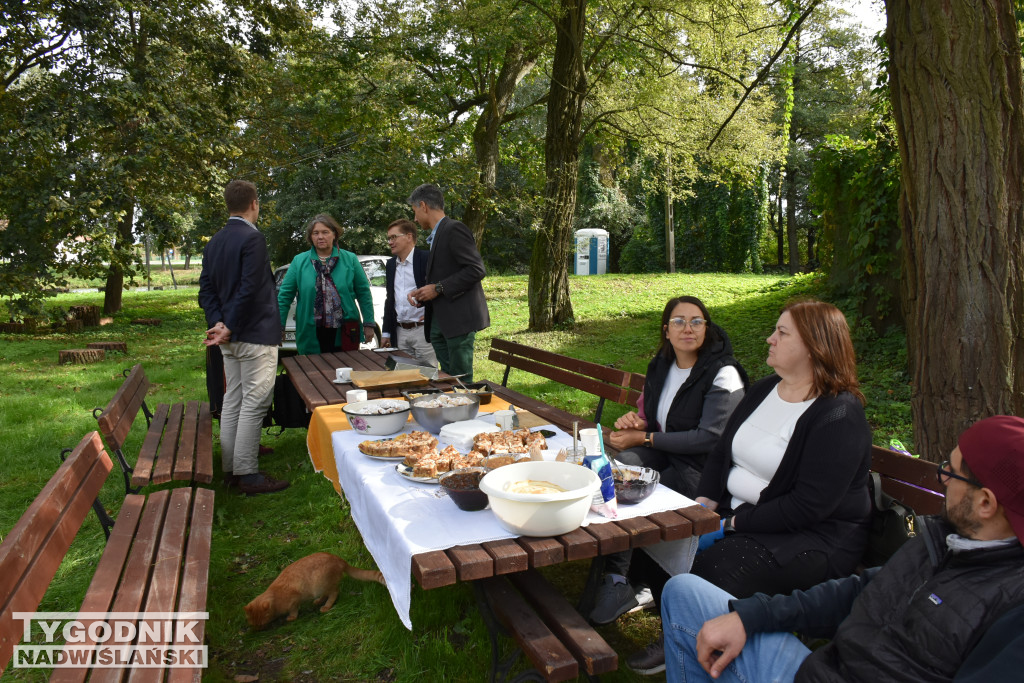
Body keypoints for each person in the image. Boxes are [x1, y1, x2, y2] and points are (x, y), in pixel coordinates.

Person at [660, 414, 1024, 683]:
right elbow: (861, 590)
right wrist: (752, 616)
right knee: (683, 592)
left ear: (986, 504)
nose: (942, 476)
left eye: (952, 471)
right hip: (819, 670)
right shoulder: (947, 540)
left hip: (816, 575)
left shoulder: (1011, 610)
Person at [627, 299, 872, 675]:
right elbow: (722, 451)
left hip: (811, 539)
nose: (770, 338)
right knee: (663, 530)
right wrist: (704, 503)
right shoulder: (766, 389)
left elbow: (808, 507)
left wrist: (730, 525)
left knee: (713, 566)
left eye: (782, 333)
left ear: (814, 346)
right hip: (741, 515)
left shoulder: (838, 414)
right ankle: (677, 630)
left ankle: (699, 640)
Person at [589, 296, 747, 625]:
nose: (687, 328)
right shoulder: (661, 365)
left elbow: (710, 437)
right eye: (678, 321)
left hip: (702, 470)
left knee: (634, 485)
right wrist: (636, 422)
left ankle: (631, 577)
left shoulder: (724, 373)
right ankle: (619, 577)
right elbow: (652, 415)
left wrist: (645, 437)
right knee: (621, 469)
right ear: (666, 330)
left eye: (696, 321)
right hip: (667, 453)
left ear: (707, 328)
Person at [198, 180, 288, 495]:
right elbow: (250, 289)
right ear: (254, 203)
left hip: (230, 338)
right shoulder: (253, 239)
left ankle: (231, 469)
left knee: (233, 399)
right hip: (253, 335)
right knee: (254, 401)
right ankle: (247, 473)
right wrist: (228, 325)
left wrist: (218, 322)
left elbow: (206, 290)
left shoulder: (214, 242)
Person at [406, 183, 489, 381]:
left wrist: (438, 288)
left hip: (458, 321)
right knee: (450, 379)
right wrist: (424, 292)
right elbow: (446, 274)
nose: (415, 218)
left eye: (415, 211)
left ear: (424, 206)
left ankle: (465, 411)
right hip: (441, 321)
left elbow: (476, 269)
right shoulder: (437, 235)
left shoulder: (454, 229)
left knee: (462, 381)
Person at [276, 214, 376, 355]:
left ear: (334, 234)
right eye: (315, 233)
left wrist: (369, 323)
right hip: (310, 331)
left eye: (325, 232)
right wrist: (279, 327)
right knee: (312, 373)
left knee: (345, 371)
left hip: (345, 330)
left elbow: (364, 293)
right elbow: (284, 297)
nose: (320, 237)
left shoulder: (350, 259)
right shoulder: (299, 261)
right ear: (311, 237)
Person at [381, 218, 436, 367]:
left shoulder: (427, 258)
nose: (390, 242)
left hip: (423, 331)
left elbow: (438, 289)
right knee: (404, 376)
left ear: (409, 237)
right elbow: (390, 299)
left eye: (394, 237)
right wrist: (386, 332)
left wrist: (434, 313)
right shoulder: (391, 264)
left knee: (429, 375)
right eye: (389, 238)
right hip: (400, 332)